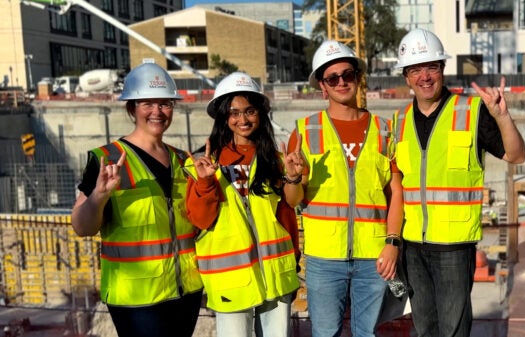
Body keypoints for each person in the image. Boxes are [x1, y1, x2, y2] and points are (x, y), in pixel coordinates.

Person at [392, 28, 525, 337]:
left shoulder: (471, 112)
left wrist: (502, 116)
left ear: (442, 69)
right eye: (416, 69)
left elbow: (516, 155)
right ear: (406, 77)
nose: (425, 76)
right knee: (424, 329)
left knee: (453, 330)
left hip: (454, 247)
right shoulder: (398, 122)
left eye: (432, 67)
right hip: (413, 246)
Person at [70, 62, 204, 337]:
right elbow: (82, 227)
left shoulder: (183, 160)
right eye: (147, 104)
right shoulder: (107, 158)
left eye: (165, 104)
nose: (157, 112)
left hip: (185, 293)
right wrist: (99, 195)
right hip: (135, 299)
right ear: (131, 108)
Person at [284, 40, 404, 337]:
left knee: (368, 333)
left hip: (373, 255)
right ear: (322, 87)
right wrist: (293, 177)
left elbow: (396, 193)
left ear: (357, 78)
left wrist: (393, 243)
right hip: (324, 258)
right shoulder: (304, 132)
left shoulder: (385, 129)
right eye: (332, 78)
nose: (341, 82)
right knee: (326, 333)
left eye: (347, 74)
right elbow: (293, 199)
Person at [186, 71, 300, 337]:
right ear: (224, 118)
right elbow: (200, 219)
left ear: (260, 114)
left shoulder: (275, 159)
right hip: (230, 277)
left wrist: (293, 177)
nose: (243, 120)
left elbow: (287, 213)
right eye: (234, 113)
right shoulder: (204, 163)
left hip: (275, 273)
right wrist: (205, 182)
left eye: (249, 111)